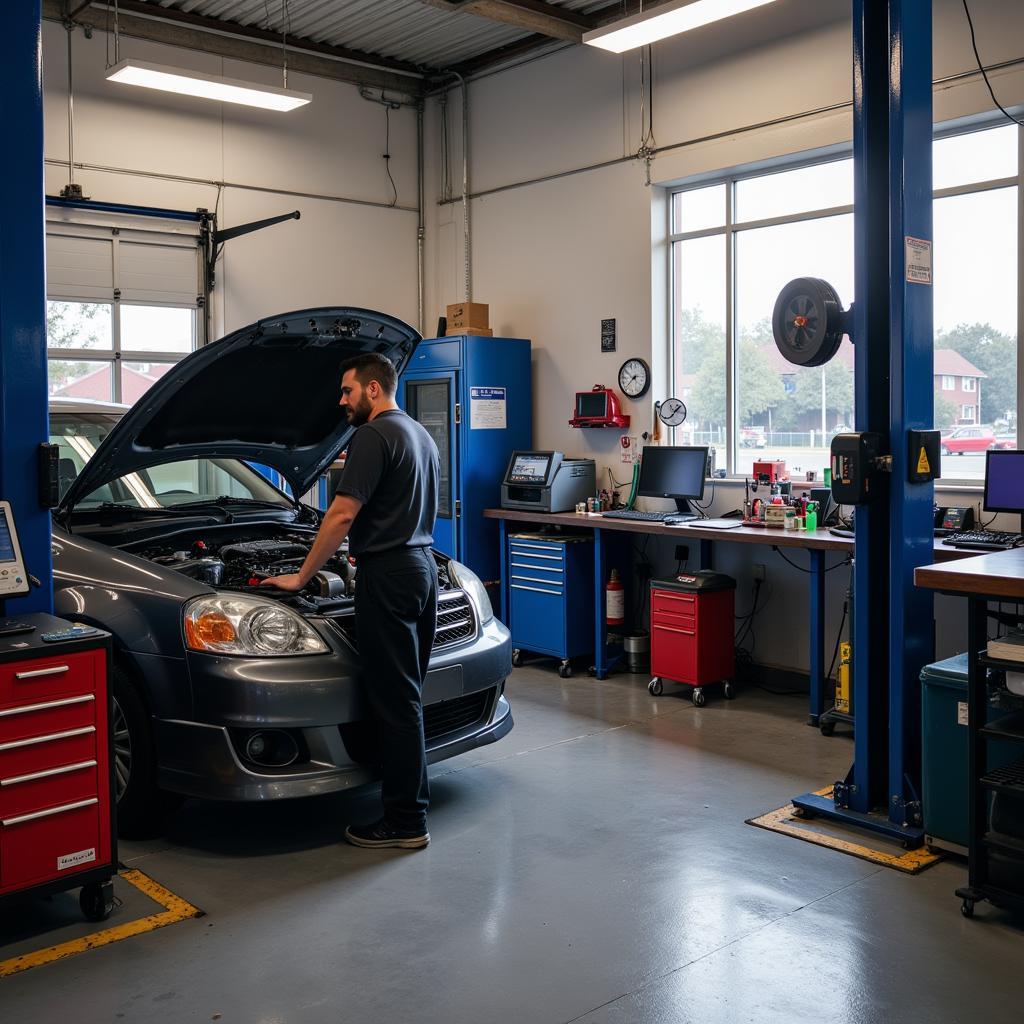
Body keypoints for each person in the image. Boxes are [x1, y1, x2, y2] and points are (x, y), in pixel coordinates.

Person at [262, 352, 439, 850]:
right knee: (407, 696)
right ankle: (407, 804)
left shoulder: (372, 436)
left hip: (387, 573)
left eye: (347, 391)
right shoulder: (420, 436)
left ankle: (405, 820)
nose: (341, 401)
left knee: (396, 701)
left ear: (373, 390)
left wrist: (301, 576)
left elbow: (341, 515)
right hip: (421, 567)